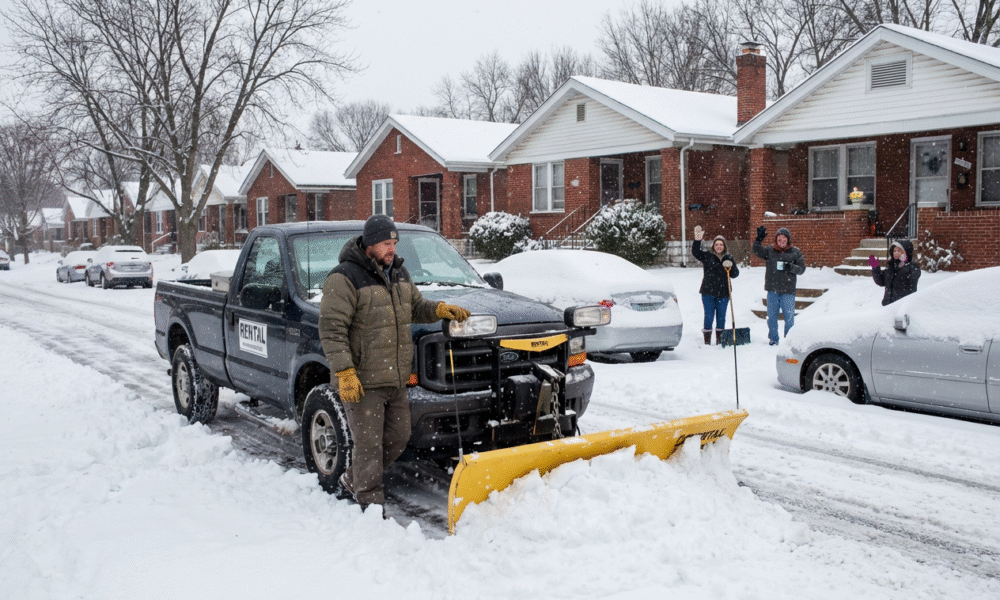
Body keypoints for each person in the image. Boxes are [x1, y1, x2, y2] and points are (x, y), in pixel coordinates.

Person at [318, 214, 470, 513]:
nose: (392, 249)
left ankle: (354, 478)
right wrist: (345, 371)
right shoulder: (344, 277)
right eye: (386, 243)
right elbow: (331, 329)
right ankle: (370, 504)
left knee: (399, 438)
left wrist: (439, 309)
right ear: (370, 243)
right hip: (362, 380)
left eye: (395, 243)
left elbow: (414, 307)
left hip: (395, 377)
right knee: (369, 445)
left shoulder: (399, 274)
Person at [752, 225, 805, 346]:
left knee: (789, 318)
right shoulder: (770, 251)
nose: (781, 241)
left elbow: (802, 269)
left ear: (788, 240)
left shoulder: (795, 252)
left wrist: (790, 267)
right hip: (773, 291)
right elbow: (756, 250)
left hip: (788, 291)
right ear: (776, 239)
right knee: (771, 318)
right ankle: (773, 338)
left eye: (784, 239)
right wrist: (758, 239)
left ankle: (788, 340)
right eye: (779, 238)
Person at [691, 226, 739, 345]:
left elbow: (735, 274)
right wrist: (697, 240)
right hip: (708, 292)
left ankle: (719, 340)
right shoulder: (707, 256)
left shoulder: (728, 257)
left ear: (724, 246)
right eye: (716, 244)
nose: (718, 247)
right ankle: (707, 341)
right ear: (713, 246)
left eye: (721, 245)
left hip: (724, 293)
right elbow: (695, 252)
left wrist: (730, 266)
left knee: (721, 317)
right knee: (709, 316)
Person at [869, 239, 920, 305]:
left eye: (899, 250)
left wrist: (905, 263)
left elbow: (912, 283)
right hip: (888, 305)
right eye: (894, 251)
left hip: (902, 307)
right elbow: (881, 281)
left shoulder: (913, 267)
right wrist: (875, 268)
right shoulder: (891, 267)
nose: (896, 253)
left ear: (905, 252)